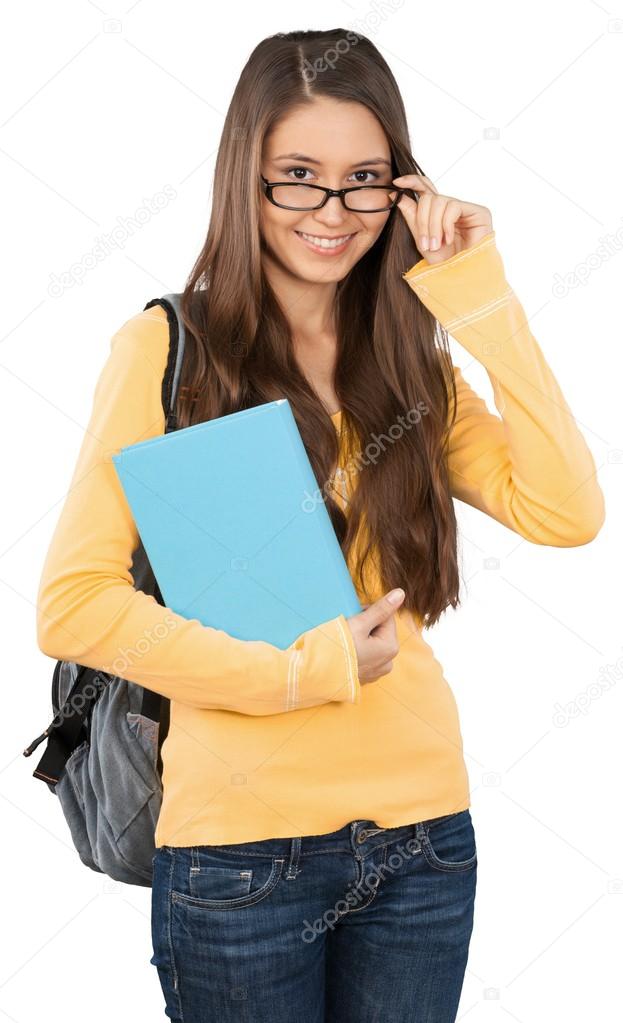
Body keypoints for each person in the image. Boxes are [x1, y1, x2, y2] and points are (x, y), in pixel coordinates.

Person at [36, 27, 605, 1023]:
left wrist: (476, 294)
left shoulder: (409, 369)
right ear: (244, 178)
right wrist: (301, 673)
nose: (331, 212)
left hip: (422, 839)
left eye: (364, 180)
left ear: (402, 191)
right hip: (237, 856)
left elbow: (565, 512)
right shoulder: (168, 351)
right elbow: (74, 608)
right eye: (296, 176)